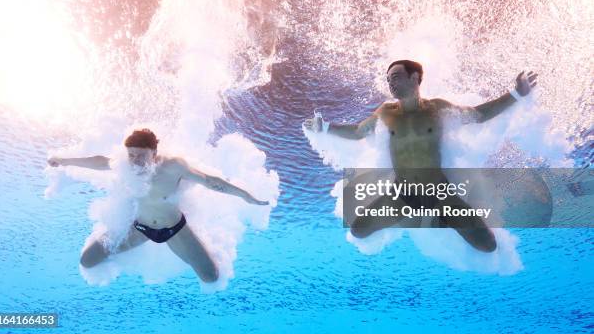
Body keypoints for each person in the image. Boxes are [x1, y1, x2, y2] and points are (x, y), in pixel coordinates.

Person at [305, 60, 538, 252]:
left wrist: (517, 94)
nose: (390, 83)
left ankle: (442, 217)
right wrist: (325, 127)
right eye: (388, 80)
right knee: (358, 230)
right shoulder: (386, 112)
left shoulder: (436, 109)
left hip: (438, 192)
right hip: (402, 194)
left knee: (488, 245)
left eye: (396, 77)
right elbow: (358, 132)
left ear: (415, 78)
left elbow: (477, 115)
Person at [48, 129, 268, 282]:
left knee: (210, 277)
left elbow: (209, 181)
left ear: (154, 153)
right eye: (131, 155)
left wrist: (244, 195)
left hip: (174, 230)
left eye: (141, 156)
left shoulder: (172, 167)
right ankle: (126, 254)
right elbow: (97, 161)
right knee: (87, 261)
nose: (135, 160)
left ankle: (198, 250)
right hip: (139, 230)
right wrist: (64, 160)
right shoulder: (126, 165)